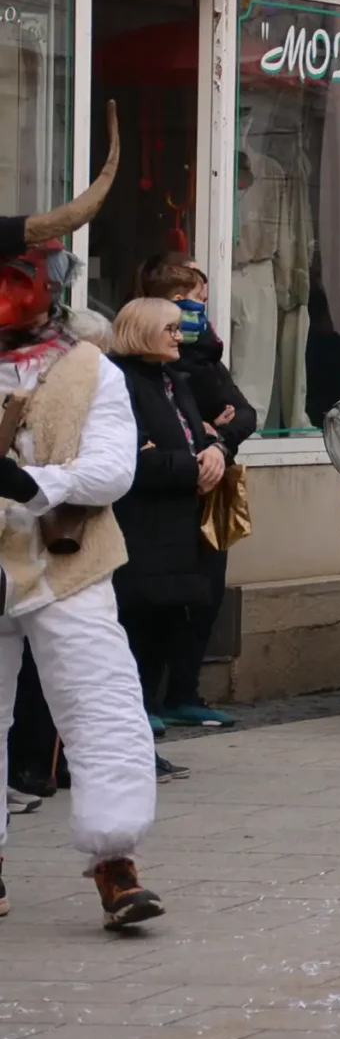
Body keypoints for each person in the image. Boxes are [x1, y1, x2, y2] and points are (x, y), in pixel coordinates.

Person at [0, 134, 168, 926]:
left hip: (66, 563)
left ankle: (115, 861)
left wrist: (37, 483)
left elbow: (112, 468)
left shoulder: (91, 367)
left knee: (100, 705)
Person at [129, 258, 255, 729]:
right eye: (195, 303)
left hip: (203, 493)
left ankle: (182, 692)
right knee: (153, 605)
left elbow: (243, 414)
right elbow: (148, 447)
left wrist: (217, 442)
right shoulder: (137, 375)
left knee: (202, 595)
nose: (199, 317)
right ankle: (144, 703)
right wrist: (196, 449)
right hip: (161, 502)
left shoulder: (190, 366)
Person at [103, 298, 223, 748]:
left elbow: (199, 435)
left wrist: (214, 451)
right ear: (141, 332)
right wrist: (191, 465)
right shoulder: (121, 380)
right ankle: (131, 727)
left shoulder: (173, 379)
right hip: (141, 523)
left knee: (164, 625)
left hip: (180, 522)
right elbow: (133, 458)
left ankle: (149, 715)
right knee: (137, 625)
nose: (178, 337)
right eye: (169, 329)